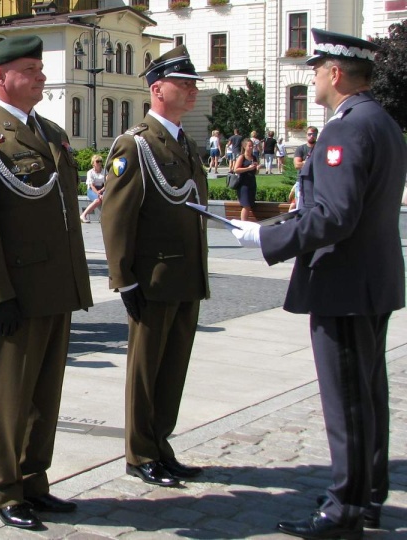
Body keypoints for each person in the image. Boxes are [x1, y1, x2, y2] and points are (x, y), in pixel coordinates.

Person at [230, 29, 405, 540]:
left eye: (316, 69)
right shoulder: (383, 122)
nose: (312, 77)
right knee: (369, 393)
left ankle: (344, 509)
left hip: (344, 283)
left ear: (335, 73)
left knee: (347, 399)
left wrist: (266, 238)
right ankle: (368, 495)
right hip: (371, 280)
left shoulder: (346, 129)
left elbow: (335, 215)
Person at [0, 35, 92, 530]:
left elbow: (63, 214)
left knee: (44, 397)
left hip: (54, 288)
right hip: (16, 294)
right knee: (10, 399)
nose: (41, 76)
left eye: (40, 68)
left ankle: (34, 480)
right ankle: (5, 489)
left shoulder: (50, 133)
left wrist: (76, 282)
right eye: (30, 69)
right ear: (0, 78)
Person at [101, 45, 210, 489]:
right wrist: (123, 278)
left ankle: (160, 444)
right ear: (157, 88)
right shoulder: (136, 143)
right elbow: (117, 216)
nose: (191, 91)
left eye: (193, 84)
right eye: (182, 83)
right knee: (146, 372)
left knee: (172, 370)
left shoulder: (183, 142)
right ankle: (140, 452)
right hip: (152, 279)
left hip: (186, 278)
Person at [233, 139, 260, 221]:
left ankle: (246, 223)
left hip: (252, 183)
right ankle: (243, 224)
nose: (251, 147)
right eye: (249, 146)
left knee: (250, 205)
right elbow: (236, 169)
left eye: (252, 146)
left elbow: (255, 172)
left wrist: (257, 169)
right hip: (243, 184)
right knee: (246, 205)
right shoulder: (242, 157)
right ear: (244, 147)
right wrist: (247, 168)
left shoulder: (254, 157)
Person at [80, 154, 105, 223]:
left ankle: (103, 217)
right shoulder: (90, 172)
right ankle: (83, 215)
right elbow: (92, 186)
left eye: (100, 161)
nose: (99, 163)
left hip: (102, 189)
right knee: (98, 200)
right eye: (97, 161)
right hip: (92, 190)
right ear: (93, 163)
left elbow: (107, 183)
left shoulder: (105, 171)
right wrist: (98, 193)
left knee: (107, 198)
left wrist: (101, 190)